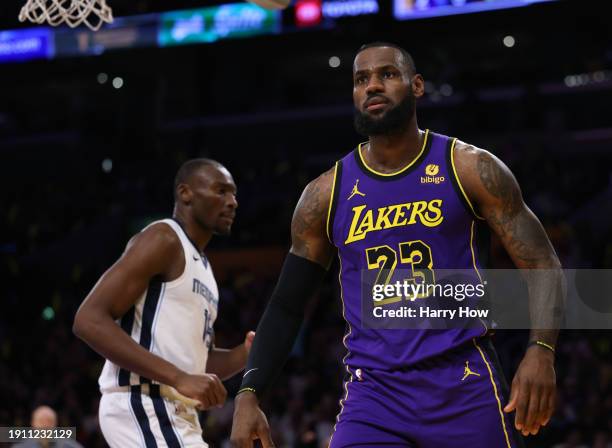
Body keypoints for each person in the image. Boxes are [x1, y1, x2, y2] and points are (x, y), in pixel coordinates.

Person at [230, 42, 564, 447]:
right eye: (361, 79)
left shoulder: (469, 168)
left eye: (387, 74)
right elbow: (287, 304)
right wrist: (250, 394)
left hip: (463, 382)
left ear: (417, 85)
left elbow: (542, 261)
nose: (372, 86)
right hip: (375, 396)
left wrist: (541, 350)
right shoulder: (324, 195)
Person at [73, 158, 254, 448]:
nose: (232, 202)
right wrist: (179, 377)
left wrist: (244, 355)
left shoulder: (206, 271)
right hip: (143, 404)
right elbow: (89, 320)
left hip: (176, 415)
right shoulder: (164, 238)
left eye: (234, 194)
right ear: (186, 194)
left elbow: (197, 362)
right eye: (221, 191)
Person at [12, 405, 83, 448]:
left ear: (55, 424)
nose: (45, 426)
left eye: (49, 421)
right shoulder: (21, 446)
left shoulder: (69, 446)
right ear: (33, 424)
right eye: (41, 421)